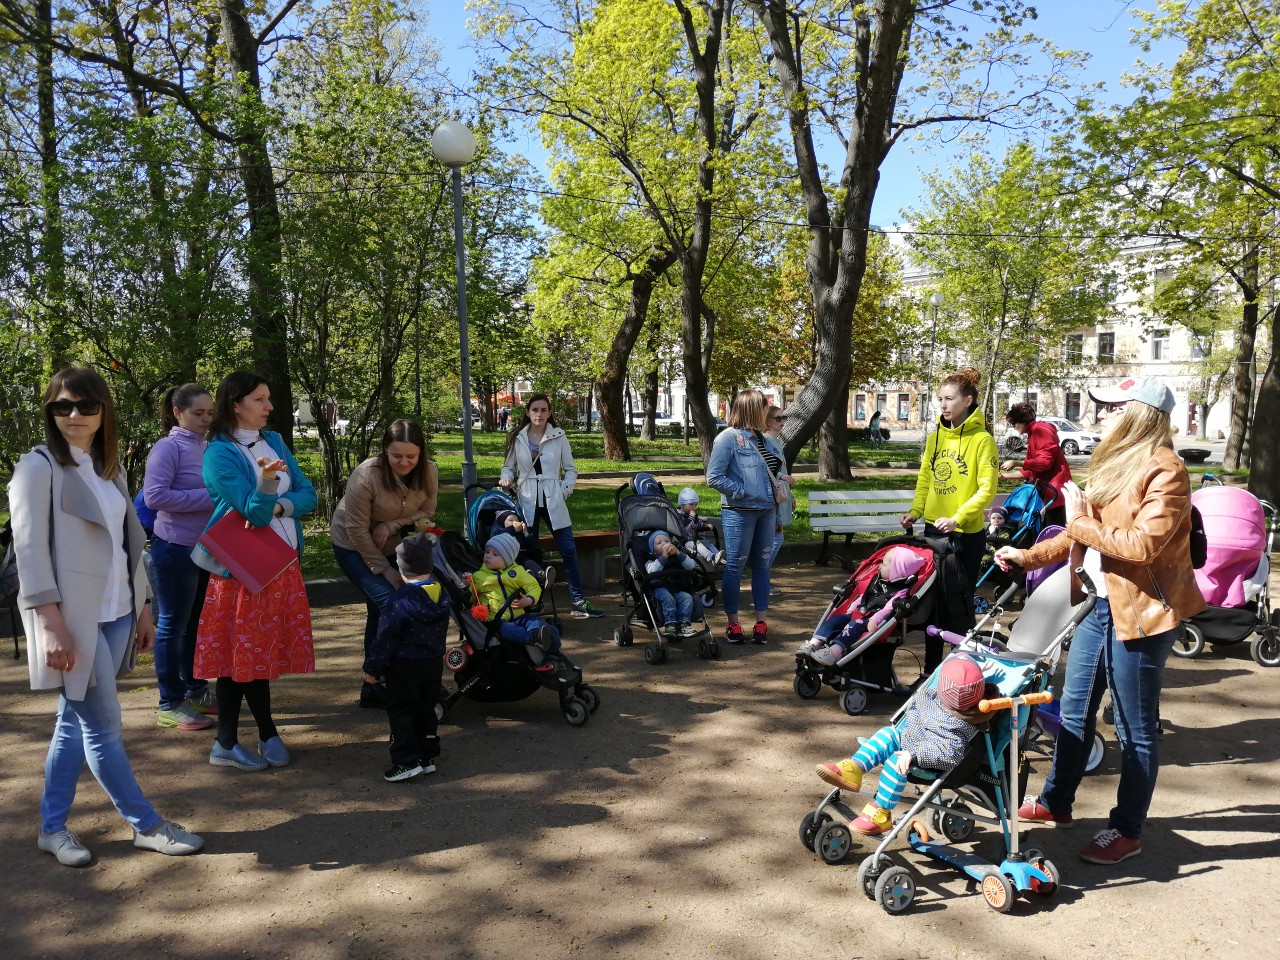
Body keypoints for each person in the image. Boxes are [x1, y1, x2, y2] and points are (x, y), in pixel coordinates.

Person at [995, 377, 1206, 865]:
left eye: (1112, 407)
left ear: (1138, 414)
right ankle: (1056, 802)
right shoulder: (1115, 463)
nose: (1102, 414)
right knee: (1073, 710)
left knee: (1136, 728)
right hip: (1098, 604)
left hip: (1140, 613)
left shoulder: (1167, 470)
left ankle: (1127, 830)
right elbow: (1079, 533)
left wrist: (1081, 521)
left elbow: (1140, 546)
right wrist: (1028, 556)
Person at [11, 367, 204, 866]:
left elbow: (125, 545)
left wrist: (142, 607)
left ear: (103, 412)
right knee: (102, 727)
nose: (74, 415)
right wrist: (51, 624)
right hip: (70, 618)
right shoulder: (37, 468)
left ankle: (52, 829)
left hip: (117, 610)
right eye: (62, 406)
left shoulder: (108, 467)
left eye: (86, 406)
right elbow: (30, 553)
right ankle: (146, 824)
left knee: (71, 725)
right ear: (50, 412)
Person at [193, 372, 317, 772]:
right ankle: (250, 737)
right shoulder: (219, 454)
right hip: (241, 571)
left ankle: (242, 739)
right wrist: (267, 485)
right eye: (260, 400)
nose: (270, 407)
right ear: (236, 404)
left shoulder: (276, 441)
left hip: (281, 565)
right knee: (239, 658)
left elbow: (309, 494)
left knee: (254, 656)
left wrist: (280, 505)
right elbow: (252, 511)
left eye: (268, 399)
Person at [814, 654, 994, 835]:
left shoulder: (962, 724)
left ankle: (880, 812)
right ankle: (854, 768)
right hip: (908, 739)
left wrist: (913, 754)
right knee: (888, 733)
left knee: (895, 762)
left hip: (924, 759)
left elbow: (947, 753)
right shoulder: (936, 699)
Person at [331, 420, 438, 708]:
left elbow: (428, 510)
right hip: (352, 545)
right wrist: (385, 569)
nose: (404, 462)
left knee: (380, 612)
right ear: (384, 452)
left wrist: (392, 524)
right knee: (391, 603)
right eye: (396, 456)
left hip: (392, 542)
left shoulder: (429, 471)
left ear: (421, 453)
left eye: (411, 456)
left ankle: (374, 683)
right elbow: (355, 530)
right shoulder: (366, 476)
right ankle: (385, 679)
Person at [901, 367, 998, 671]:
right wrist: (916, 512)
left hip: (965, 535)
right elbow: (925, 480)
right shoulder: (935, 438)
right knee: (933, 603)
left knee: (959, 605)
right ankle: (931, 669)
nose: (943, 404)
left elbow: (987, 489)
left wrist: (958, 518)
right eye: (940, 399)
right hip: (934, 531)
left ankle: (961, 669)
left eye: (950, 398)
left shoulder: (983, 440)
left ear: (968, 400)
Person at [143, 384, 217, 732]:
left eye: (209, 413)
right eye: (197, 413)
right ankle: (169, 702)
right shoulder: (167, 447)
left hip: (206, 549)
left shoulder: (208, 446)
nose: (205, 419)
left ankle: (195, 690)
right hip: (174, 547)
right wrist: (212, 497)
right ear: (177, 413)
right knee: (172, 625)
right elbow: (156, 496)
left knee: (196, 624)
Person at [500, 394, 603, 618]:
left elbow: (571, 469)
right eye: (535, 409)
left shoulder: (558, 436)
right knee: (529, 551)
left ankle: (578, 599)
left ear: (549, 413)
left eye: (543, 410)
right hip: (526, 498)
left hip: (553, 497)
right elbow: (508, 467)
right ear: (527, 412)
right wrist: (506, 478)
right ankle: (534, 600)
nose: (539, 414)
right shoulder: (517, 437)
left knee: (568, 549)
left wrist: (564, 490)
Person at [362, 532, 449, 783]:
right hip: (432, 662)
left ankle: (405, 760)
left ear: (401, 569)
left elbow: (385, 637)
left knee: (402, 711)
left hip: (404, 665)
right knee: (426, 709)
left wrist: (373, 667)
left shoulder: (400, 601)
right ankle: (426, 756)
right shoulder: (441, 595)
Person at [706, 389, 786, 645]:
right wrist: (742, 492)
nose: (768, 412)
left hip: (767, 510)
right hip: (739, 512)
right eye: (764, 407)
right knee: (735, 567)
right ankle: (733, 624)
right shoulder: (727, 439)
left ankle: (761, 622)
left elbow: (773, 472)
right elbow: (714, 477)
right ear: (753, 409)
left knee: (762, 566)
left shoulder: (763, 439)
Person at [798, 546, 926, 666]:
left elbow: (888, 608)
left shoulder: (900, 592)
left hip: (869, 621)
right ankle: (814, 644)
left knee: (853, 625)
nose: (880, 566)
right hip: (858, 613)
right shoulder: (877, 581)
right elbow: (864, 597)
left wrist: (874, 619)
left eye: (885, 564)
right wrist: (852, 608)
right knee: (836, 619)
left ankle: (834, 652)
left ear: (897, 571)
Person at [466, 533, 561, 654]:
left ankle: (553, 650)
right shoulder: (479, 577)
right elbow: (472, 599)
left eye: (495, 554)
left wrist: (529, 600)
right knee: (509, 630)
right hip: (498, 621)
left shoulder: (517, 572)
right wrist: (468, 585)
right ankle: (533, 639)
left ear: (507, 560)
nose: (488, 556)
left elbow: (534, 586)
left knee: (538, 623)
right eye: (487, 552)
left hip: (520, 616)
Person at [1000, 402, 1072, 528]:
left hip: (1053, 495)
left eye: (1014, 423)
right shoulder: (1033, 433)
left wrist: (1016, 462)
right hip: (1045, 495)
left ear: (1022, 421)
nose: (1014, 427)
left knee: (1051, 535)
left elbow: (1044, 463)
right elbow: (1030, 472)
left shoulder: (1040, 431)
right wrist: (1004, 476)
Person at [644, 531, 700, 640]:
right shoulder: (651, 560)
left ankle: (683, 625)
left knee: (687, 598)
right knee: (667, 598)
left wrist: (678, 553)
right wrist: (664, 556)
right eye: (659, 543)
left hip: (678, 588)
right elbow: (653, 570)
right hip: (660, 588)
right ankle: (670, 625)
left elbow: (691, 565)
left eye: (667, 541)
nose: (664, 544)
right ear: (652, 549)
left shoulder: (678, 557)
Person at [765, 405, 796, 568]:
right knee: (775, 539)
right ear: (768, 421)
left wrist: (790, 496)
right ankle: (763, 576)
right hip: (773, 496)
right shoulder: (767, 440)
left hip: (781, 494)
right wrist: (783, 477)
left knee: (776, 538)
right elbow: (767, 469)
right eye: (778, 418)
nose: (782, 421)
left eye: (783, 418)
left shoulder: (775, 441)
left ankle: (764, 576)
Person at [676, 487, 722, 565]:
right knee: (699, 545)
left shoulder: (692, 514)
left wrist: (705, 525)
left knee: (707, 543)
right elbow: (687, 528)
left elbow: (698, 523)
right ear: (682, 505)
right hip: (686, 542)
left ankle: (719, 557)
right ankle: (712, 558)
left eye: (695, 504)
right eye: (691, 504)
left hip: (694, 539)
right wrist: (691, 518)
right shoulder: (679, 516)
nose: (694, 507)